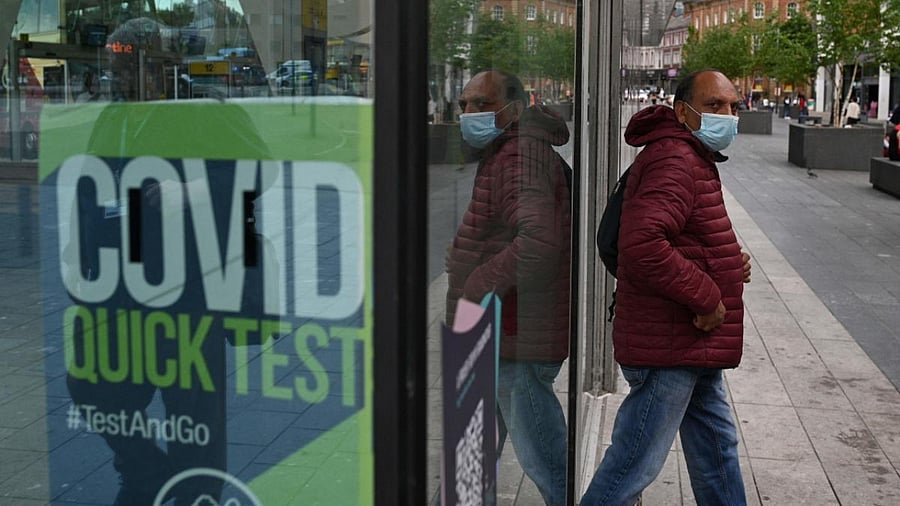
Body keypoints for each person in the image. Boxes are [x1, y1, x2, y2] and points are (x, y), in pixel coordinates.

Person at [581, 69, 752, 506]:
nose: (727, 116)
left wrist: (728, 264)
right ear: (683, 111)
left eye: (733, 107)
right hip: (669, 346)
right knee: (633, 464)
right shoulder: (676, 159)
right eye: (714, 106)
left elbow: (681, 236)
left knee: (716, 451)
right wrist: (709, 297)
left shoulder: (690, 155)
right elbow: (642, 245)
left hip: (690, 344)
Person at [445, 69, 571, 506]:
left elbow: (537, 241)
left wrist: (477, 281)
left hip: (514, 332)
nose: (468, 113)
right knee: (471, 449)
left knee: (544, 457)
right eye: (464, 105)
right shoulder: (507, 153)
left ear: (513, 109)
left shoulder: (519, 156)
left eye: (481, 103)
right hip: (499, 329)